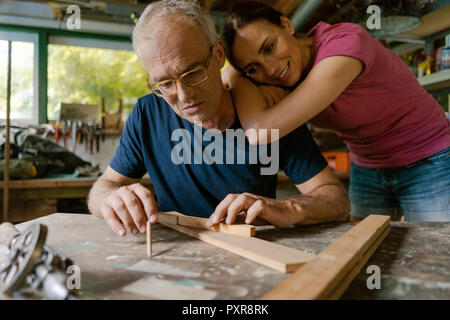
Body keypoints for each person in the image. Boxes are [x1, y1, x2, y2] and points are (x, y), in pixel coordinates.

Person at [87, 0, 349, 237]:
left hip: (254, 255)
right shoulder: (147, 114)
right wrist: (111, 198)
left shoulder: (271, 113)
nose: (184, 95)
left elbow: (336, 199)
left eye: (193, 73)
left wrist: (286, 208)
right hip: (176, 254)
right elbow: (103, 186)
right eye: (165, 83)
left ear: (219, 55)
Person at [221, 1, 450, 222]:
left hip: (430, 158)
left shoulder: (346, 42)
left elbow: (260, 131)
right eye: (253, 68)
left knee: (439, 250)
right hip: (367, 166)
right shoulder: (282, 78)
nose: (270, 69)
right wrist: (243, 77)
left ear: (287, 25)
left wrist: (235, 76)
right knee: (363, 247)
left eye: (269, 47)